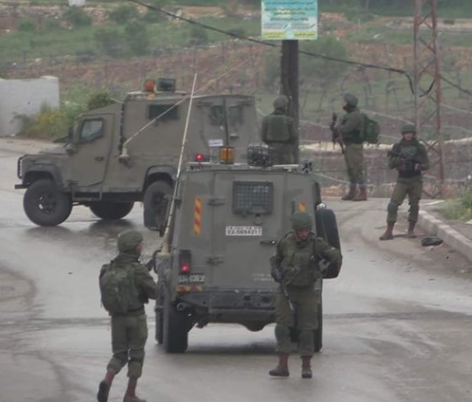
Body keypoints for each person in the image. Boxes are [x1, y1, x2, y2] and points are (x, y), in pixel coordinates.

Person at [269, 211, 342, 379]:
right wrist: (276, 272)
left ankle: (306, 366)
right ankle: (282, 365)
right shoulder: (285, 243)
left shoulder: (316, 243)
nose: (304, 234)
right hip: (287, 290)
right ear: (295, 230)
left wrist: (323, 258)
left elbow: (336, 255)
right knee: (282, 327)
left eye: (307, 230)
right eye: (301, 231)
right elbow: (276, 260)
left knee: (307, 329)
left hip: (307, 290)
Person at [97, 230, 157, 402]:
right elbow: (154, 293)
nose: (141, 247)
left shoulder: (108, 268)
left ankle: (107, 380)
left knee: (119, 355)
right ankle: (130, 394)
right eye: (140, 245)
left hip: (117, 319)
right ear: (135, 248)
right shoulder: (138, 270)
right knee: (136, 356)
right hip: (136, 318)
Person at [379, 124, 430, 240]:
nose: (408, 135)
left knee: (414, 205)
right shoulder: (397, 147)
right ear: (403, 134)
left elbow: (427, 164)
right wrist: (400, 160)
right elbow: (390, 165)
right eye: (406, 133)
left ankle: (411, 230)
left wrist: (418, 166)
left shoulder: (419, 148)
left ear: (413, 134)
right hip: (402, 180)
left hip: (415, 180)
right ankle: (389, 231)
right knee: (392, 205)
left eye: (410, 133)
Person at [333, 93, 367, 201]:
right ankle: (352, 191)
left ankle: (362, 192)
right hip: (349, 145)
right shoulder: (350, 115)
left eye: (345, 103)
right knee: (351, 170)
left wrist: (338, 126)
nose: (343, 105)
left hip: (354, 146)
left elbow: (346, 129)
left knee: (357, 169)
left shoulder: (354, 116)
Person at [261, 95, 298, 165]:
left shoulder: (266, 120)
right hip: (286, 151)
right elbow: (294, 137)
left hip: (272, 149)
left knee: (273, 168)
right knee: (287, 169)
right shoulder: (289, 120)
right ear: (285, 107)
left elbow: (263, 137)